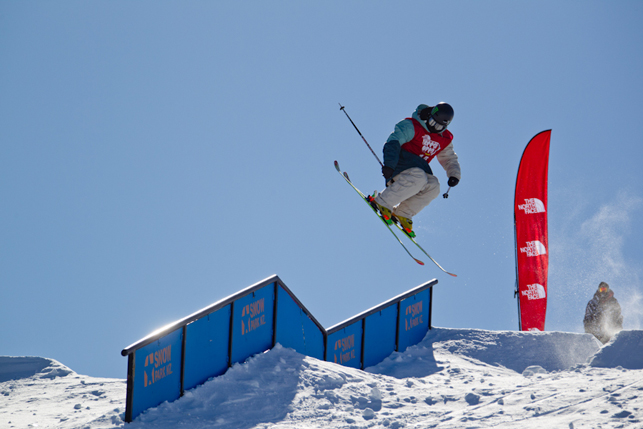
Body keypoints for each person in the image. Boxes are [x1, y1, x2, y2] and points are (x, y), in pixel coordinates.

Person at [368, 103, 461, 237]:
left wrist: (454, 174)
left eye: (439, 127)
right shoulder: (412, 126)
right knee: (419, 176)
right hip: (399, 166)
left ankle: (403, 212)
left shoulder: (443, 138)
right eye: (433, 123)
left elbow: (449, 158)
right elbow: (393, 142)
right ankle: (383, 201)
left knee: (434, 185)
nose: (435, 128)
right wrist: (389, 165)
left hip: (418, 172)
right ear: (429, 116)